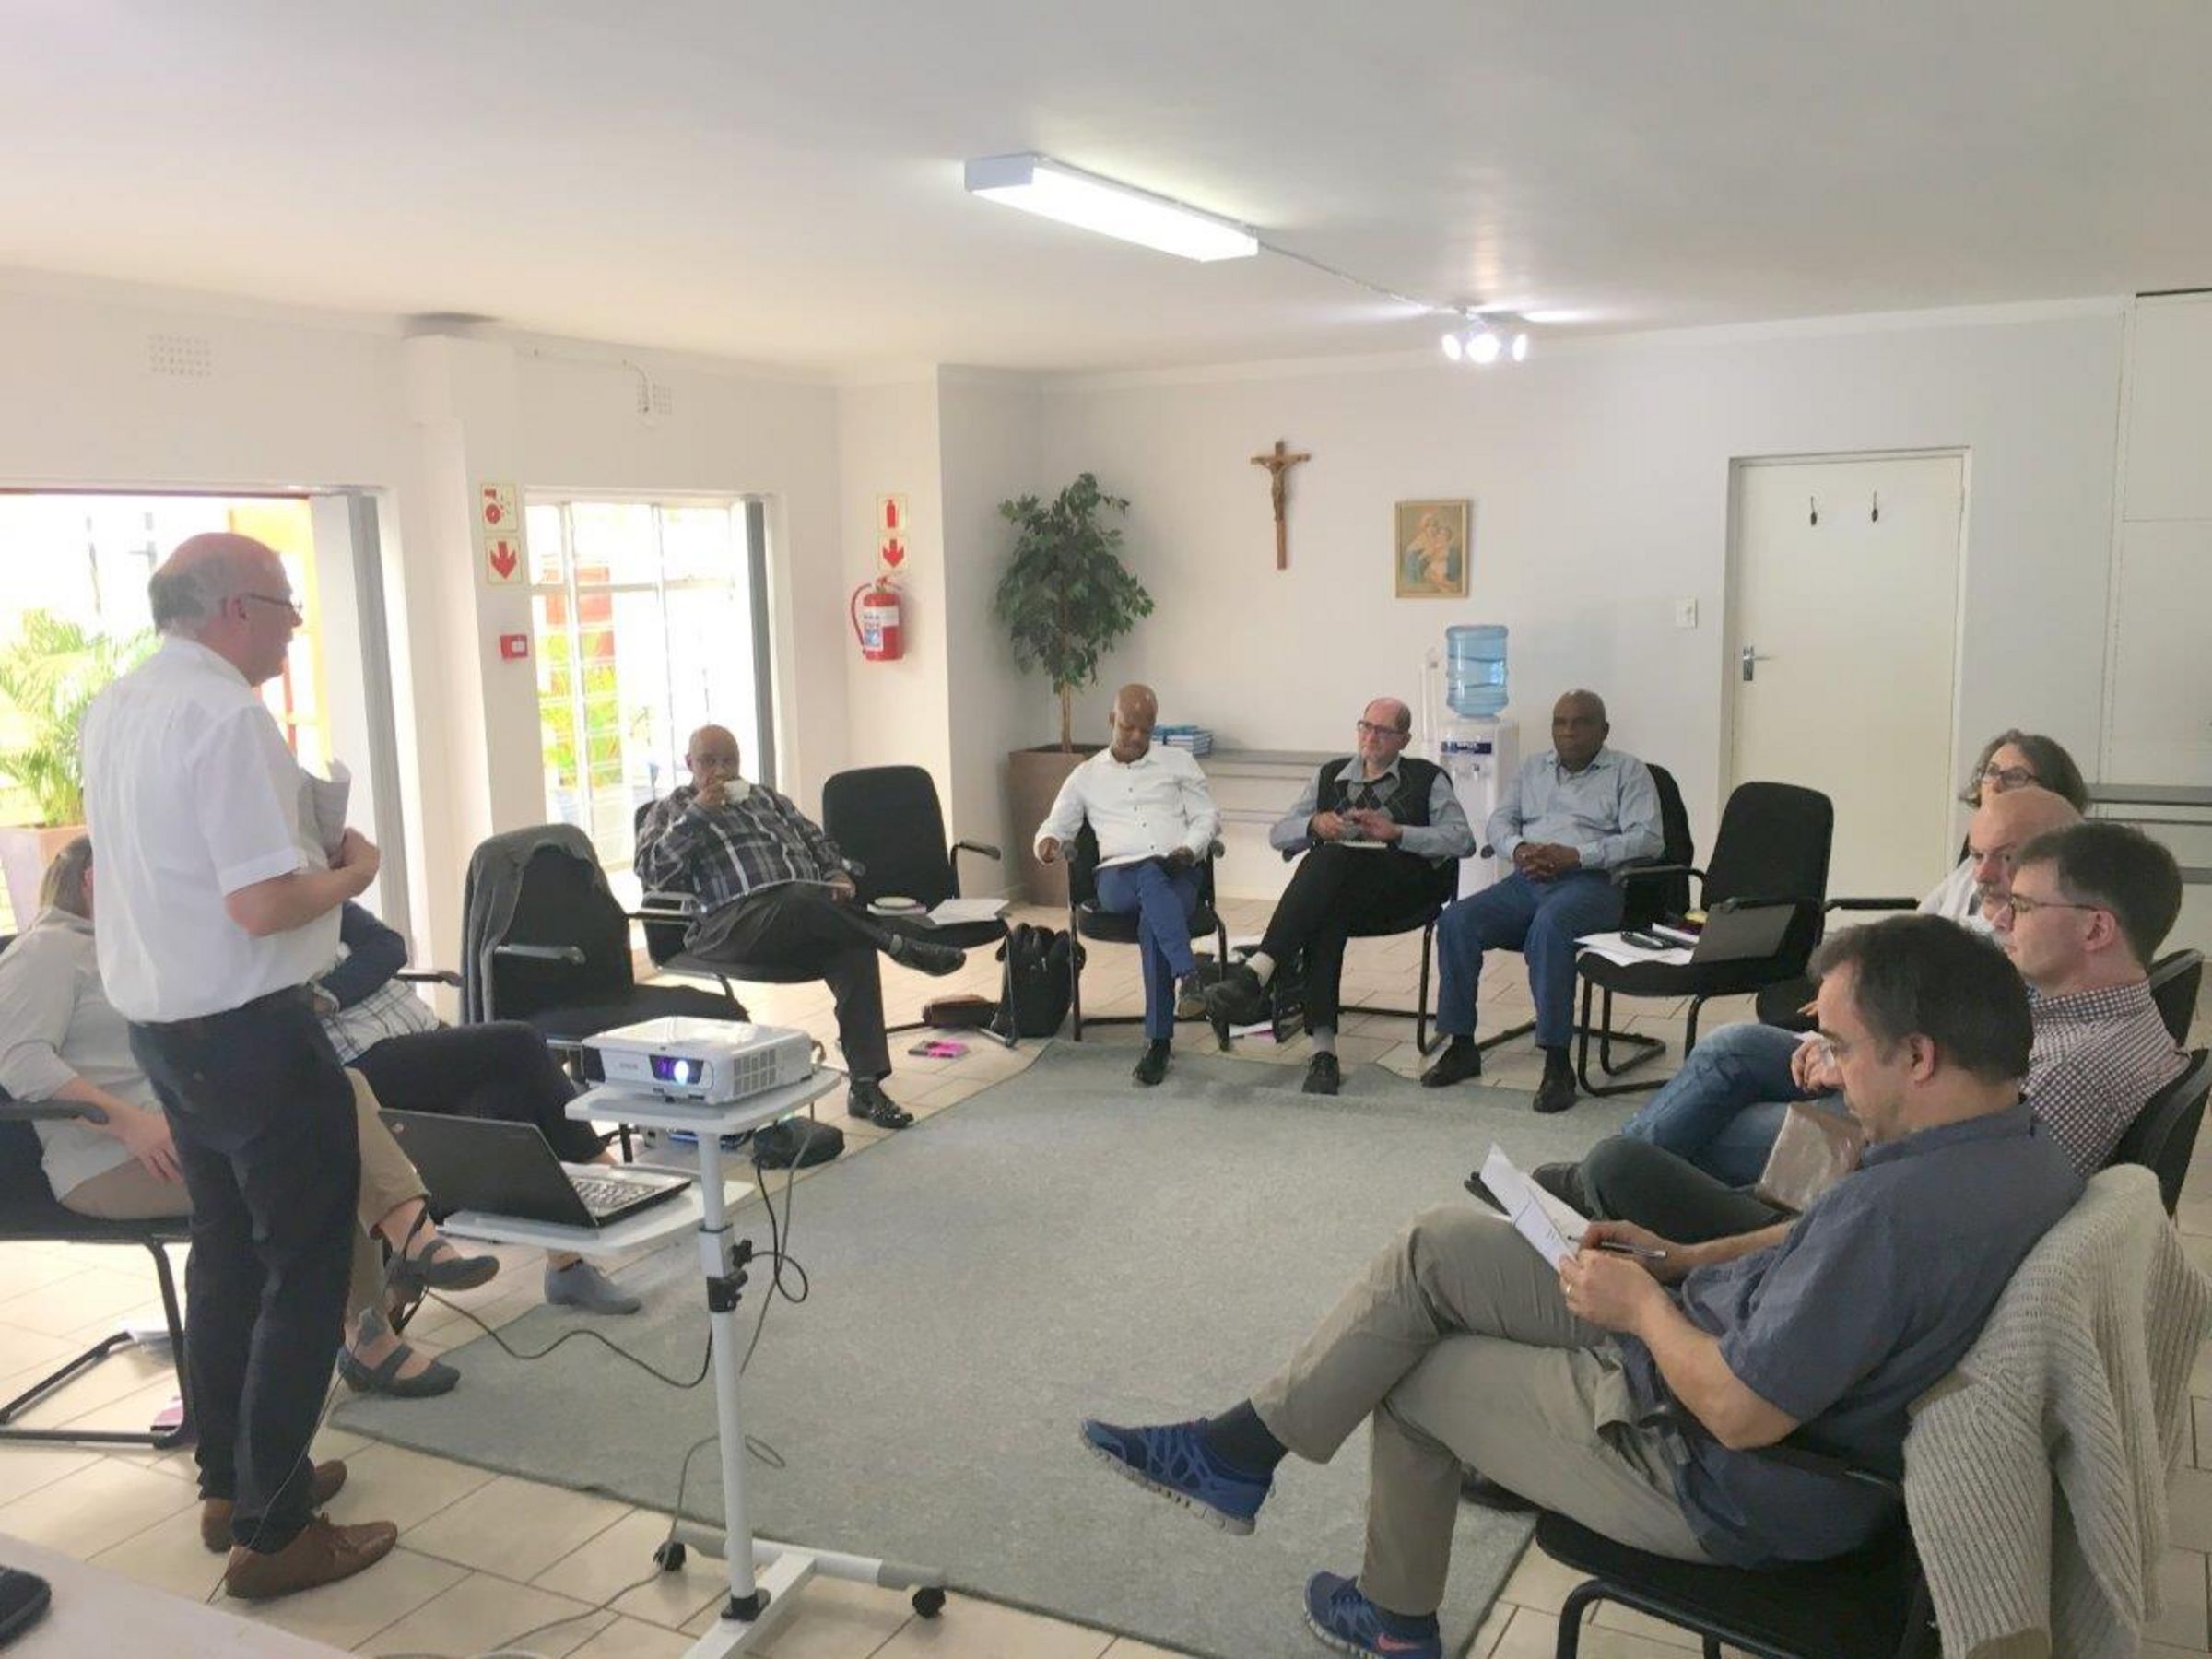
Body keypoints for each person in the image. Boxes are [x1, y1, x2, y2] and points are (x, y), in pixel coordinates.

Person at [1081, 917, 2078, 1659]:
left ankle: (1392, 1618)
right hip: (1704, 1346)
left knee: (1416, 1378)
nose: (1831, 1074)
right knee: (1435, 1247)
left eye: (1845, 1051)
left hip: (1709, 1467)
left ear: (1920, 1056)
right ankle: (1240, 1450)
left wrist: (1637, 1307)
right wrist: (1680, 1260)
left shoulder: (1896, 1217)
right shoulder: (2019, 1147)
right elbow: (1812, 1237)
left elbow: (1742, 1413)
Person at [79, 532, 399, 1598]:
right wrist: (352, 872)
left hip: (168, 1035)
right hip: (252, 1034)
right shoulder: (228, 716)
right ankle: (276, 1530)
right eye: (285, 605)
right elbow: (263, 905)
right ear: (234, 611)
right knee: (305, 1270)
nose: (295, 626)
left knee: (227, 1258)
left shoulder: (119, 704)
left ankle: (233, 1482)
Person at [0, 838, 496, 1404]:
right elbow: (19, 1061)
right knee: (320, 1149)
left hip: (186, 1132)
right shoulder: (46, 951)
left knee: (331, 1097)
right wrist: (130, 1124)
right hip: (110, 1161)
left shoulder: (134, 951)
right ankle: (391, 1287)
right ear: (93, 880)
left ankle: (396, 1270)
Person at [1559, 818, 2187, 1245]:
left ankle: (1594, 1201)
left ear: (2095, 929)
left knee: (1652, 1151)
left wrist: (1862, 1071)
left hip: (1851, 1228)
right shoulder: (2099, 1019)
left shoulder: (2074, 1072)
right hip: (1873, 1197)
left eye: (2021, 907)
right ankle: (1595, 1197)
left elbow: (1942, 1212)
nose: (2001, 919)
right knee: (1724, 1067)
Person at [1574, 785, 2088, 1191]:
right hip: (1885, 1057)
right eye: (1977, 856)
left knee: (1709, 1124)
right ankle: (1599, 1182)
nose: (1983, 875)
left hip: (1894, 1100)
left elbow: (1955, 1081)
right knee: (1731, 1045)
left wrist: (1849, 1058)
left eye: (2007, 859)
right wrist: (1836, 1042)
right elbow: (1917, 983)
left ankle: (1605, 1185)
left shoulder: (2054, 977)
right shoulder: (2014, 928)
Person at [316, 900, 642, 1314]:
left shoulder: (319, 893)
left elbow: (388, 946)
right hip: (358, 1061)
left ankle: (566, 1265)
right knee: (517, 1044)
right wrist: (340, 985)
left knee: (509, 1094)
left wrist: (330, 994)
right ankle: (610, 1182)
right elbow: (295, 1000)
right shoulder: (262, 921)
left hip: (418, 1034)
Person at [635, 724, 964, 1129]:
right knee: (803, 899)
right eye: (708, 761)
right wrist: (699, 814)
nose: (720, 770)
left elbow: (817, 840)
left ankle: (866, 1086)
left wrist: (835, 873)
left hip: (800, 914)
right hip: (728, 924)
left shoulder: (767, 798)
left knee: (852, 948)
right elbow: (652, 872)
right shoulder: (671, 810)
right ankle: (899, 943)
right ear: (689, 763)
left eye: (729, 760)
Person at [1203, 699, 1474, 1096]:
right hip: (1343, 893)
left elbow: (1462, 839)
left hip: (1404, 890)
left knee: (1326, 868)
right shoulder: (1330, 775)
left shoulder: (1428, 778)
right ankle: (1323, 1053)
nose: (1371, 737)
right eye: (1366, 726)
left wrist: (1398, 832)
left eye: (1383, 731)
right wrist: (1313, 825)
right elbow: (1279, 834)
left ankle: (1259, 971)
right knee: (1326, 902)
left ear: (1404, 739)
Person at [1420, 690, 1663, 1113]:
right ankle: (1461, 1045)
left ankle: (1557, 1061)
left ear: (1604, 730)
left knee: (1550, 927)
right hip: (1528, 879)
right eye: (1560, 722)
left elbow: (1648, 839)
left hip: (1591, 884)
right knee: (1457, 920)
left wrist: (1577, 855)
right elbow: (1500, 821)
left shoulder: (1629, 772)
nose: (1568, 732)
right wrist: (1518, 850)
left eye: (1581, 722)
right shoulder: (1533, 768)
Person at [1035, 684, 1222, 1087]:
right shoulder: (1085, 776)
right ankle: (1188, 976)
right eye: (1128, 727)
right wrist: (1047, 843)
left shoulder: (1179, 762)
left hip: (1177, 870)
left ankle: (1158, 1044)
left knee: (1154, 914)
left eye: (1146, 729)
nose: (1137, 737)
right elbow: (1056, 824)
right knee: (1149, 877)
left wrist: (1190, 849)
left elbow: (1206, 817)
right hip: (1116, 878)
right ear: (1111, 720)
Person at [1917, 729, 2091, 921]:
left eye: (2015, 776)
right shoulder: (1969, 868)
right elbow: (1921, 920)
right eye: (1991, 772)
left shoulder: (2055, 875)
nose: (1995, 785)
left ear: (2052, 790)